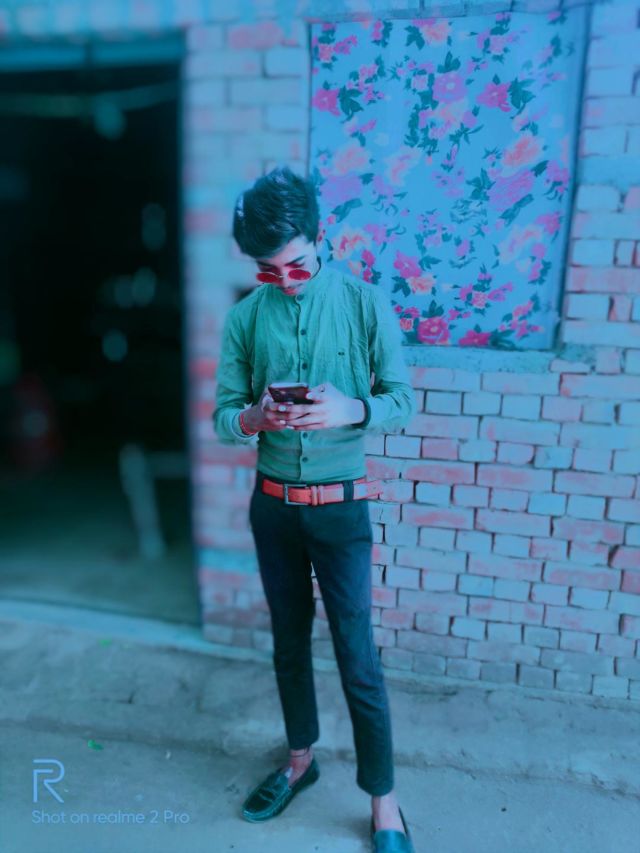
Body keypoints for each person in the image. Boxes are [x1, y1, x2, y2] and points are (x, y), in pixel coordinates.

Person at [213, 165, 417, 853]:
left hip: (340, 511)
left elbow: (402, 400)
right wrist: (254, 418)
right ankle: (300, 761)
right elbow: (222, 416)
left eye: (296, 265)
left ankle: (384, 801)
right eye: (270, 272)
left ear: (319, 237)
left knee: (357, 655)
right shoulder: (245, 317)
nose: (287, 281)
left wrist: (350, 408)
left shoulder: (364, 303)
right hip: (273, 509)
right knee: (288, 643)